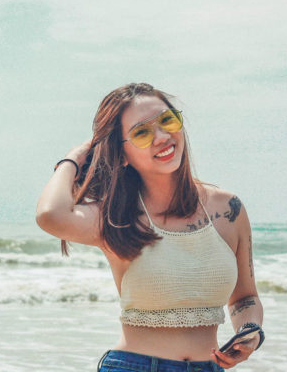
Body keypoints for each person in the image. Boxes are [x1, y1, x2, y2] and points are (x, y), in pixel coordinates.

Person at [36, 83, 264, 371]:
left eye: (167, 120)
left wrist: (250, 332)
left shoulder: (228, 210)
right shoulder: (115, 216)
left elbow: (245, 297)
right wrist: (73, 157)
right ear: (122, 155)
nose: (162, 137)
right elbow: (50, 214)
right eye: (141, 133)